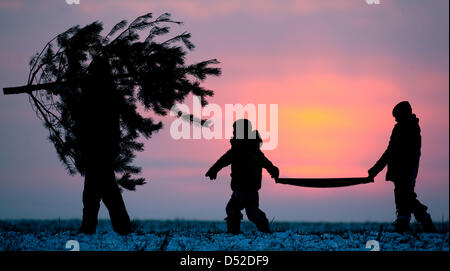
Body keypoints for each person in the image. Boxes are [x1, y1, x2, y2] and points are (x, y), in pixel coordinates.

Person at [368, 101, 436, 233]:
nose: (395, 119)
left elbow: (406, 153)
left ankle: (420, 221)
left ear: (404, 114)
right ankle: (405, 226)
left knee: (405, 196)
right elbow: (389, 152)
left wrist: (375, 171)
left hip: (407, 170)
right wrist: (374, 171)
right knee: (402, 197)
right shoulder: (398, 129)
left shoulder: (412, 129)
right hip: (398, 170)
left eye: (397, 116)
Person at [205, 119, 279, 234]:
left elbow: (223, 161)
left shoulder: (241, 150)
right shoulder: (249, 149)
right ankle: (259, 229)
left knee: (237, 210)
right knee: (248, 211)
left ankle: (238, 230)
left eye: (235, 131)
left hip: (244, 189)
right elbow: (266, 163)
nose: (233, 133)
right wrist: (273, 171)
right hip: (246, 189)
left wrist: (214, 170)